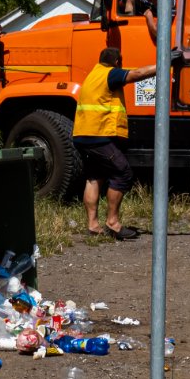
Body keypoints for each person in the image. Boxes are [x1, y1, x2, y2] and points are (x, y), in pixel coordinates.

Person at [72, 47, 161, 240]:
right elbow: (137, 74)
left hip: (83, 134)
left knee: (94, 176)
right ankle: (113, 222)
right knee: (123, 172)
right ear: (118, 62)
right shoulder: (110, 74)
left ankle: (93, 225)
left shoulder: (93, 75)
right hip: (98, 135)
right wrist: (164, 63)